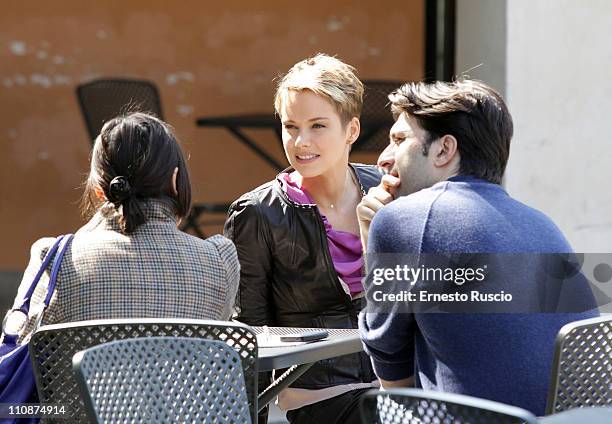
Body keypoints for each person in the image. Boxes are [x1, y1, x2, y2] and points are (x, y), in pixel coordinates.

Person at [357, 79, 598, 416]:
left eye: (399, 140)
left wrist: (373, 235)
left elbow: (394, 384)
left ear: (444, 150)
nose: (384, 159)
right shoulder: (542, 223)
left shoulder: (405, 220)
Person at [224, 54, 381, 424]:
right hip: (315, 396)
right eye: (291, 126)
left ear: (352, 130)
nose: (300, 141)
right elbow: (249, 332)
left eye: (317, 126)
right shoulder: (257, 214)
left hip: (393, 384)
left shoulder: (385, 193)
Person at [6, 112, 240, 342]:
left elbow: (19, 349)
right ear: (174, 180)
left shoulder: (56, 259)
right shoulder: (219, 261)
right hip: (187, 383)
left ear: (99, 189)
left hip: (86, 382)